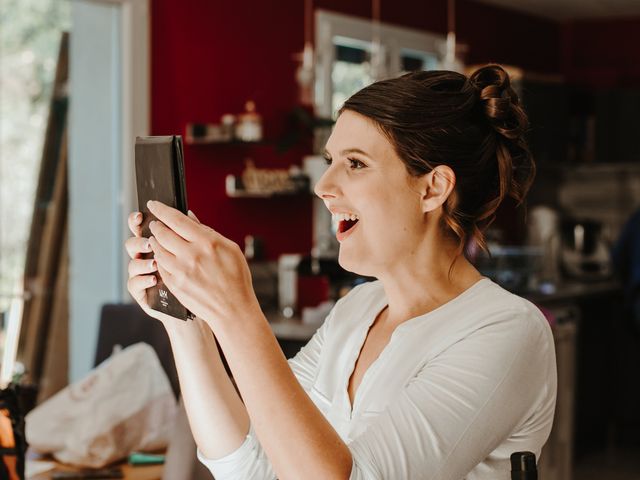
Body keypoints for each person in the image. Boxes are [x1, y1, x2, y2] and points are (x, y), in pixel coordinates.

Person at [125, 64, 557, 480]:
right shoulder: (358, 311)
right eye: (330, 159)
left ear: (432, 188)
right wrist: (187, 319)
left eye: (355, 163)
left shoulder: (506, 330)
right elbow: (250, 465)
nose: (323, 185)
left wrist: (239, 313)